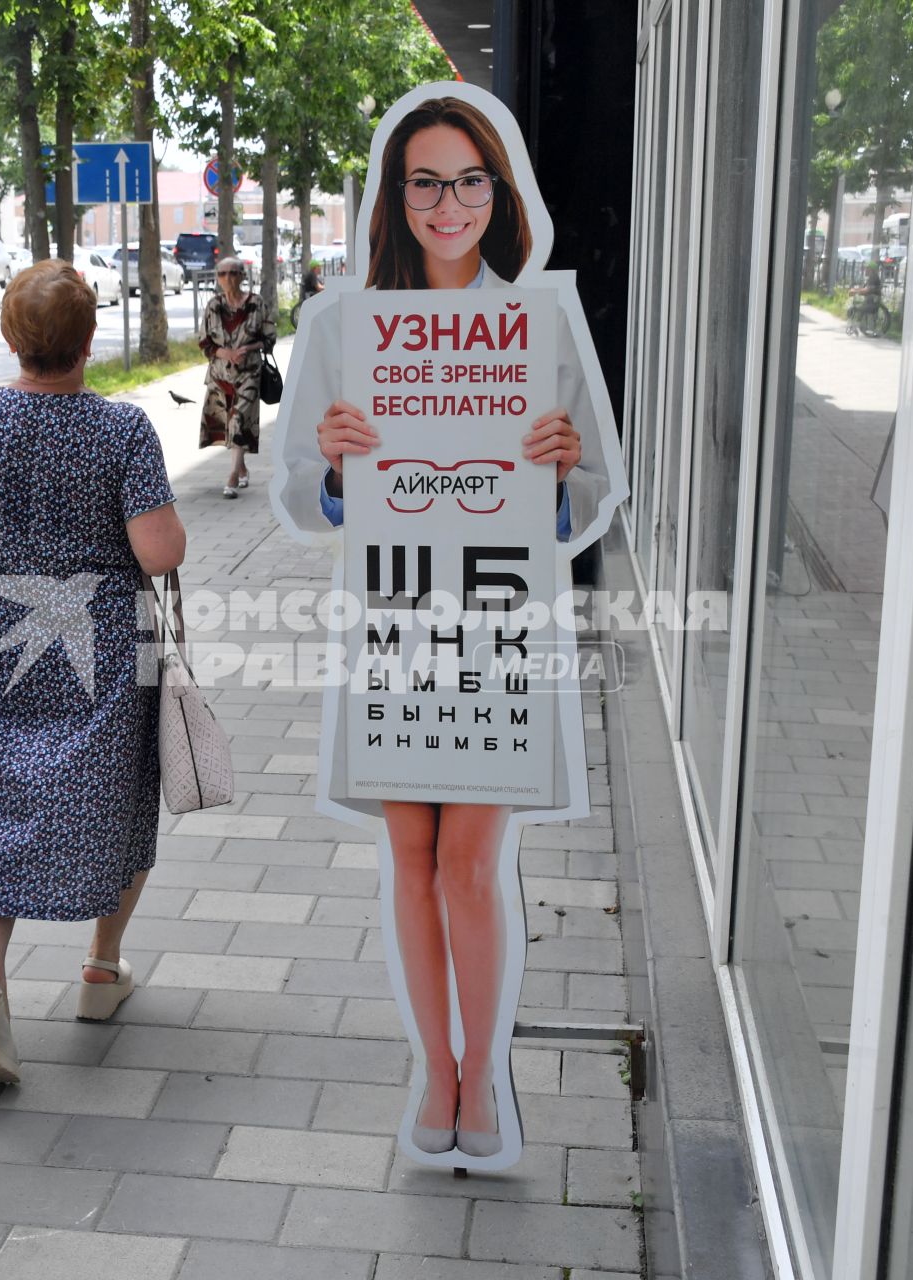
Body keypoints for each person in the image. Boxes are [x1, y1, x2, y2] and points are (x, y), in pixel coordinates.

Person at [273, 92, 615, 1161]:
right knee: (409, 853)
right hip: (391, 616)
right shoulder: (341, 325)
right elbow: (291, 498)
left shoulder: (542, 322)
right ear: (395, 195)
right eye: (426, 180)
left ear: (498, 193)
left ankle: (484, 1076)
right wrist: (328, 465)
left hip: (498, 617)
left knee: (469, 856)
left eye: (469, 179)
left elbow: (597, 495)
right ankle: (441, 1068)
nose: (448, 202)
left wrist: (563, 470)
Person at [0, 261, 185, 1082]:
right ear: (90, 341)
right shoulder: (122, 431)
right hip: (102, 647)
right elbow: (161, 552)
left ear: (7, 339)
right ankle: (101, 968)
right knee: (118, 795)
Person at [197, 257, 274, 499]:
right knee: (227, 425)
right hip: (220, 375)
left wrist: (250, 348)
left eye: (233, 273)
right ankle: (241, 467)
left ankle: (231, 475)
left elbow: (270, 338)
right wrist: (226, 353)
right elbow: (204, 342)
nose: (227, 278)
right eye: (222, 274)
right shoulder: (213, 306)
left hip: (250, 372)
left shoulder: (256, 303)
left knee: (239, 420)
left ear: (242, 276)